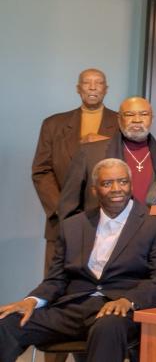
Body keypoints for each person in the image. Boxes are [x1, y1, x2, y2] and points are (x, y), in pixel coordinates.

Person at [0, 158, 156, 362]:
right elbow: (56, 279)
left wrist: (128, 300)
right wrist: (30, 301)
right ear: (94, 190)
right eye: (107, 183)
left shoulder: (154, 225)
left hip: (118, 307)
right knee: (7, 323)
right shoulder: (73, 226)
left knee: (108, 327)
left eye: (122, 182)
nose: (116, 189)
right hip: (73, 307)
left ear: (131, 185)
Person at [32, 68, 118, 272]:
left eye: (98, 83)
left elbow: (129, 161)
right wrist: (62, 208)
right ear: (78, 89)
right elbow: (41, 170)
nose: (93, 87)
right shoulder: (53, 124)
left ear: (106, 89)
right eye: (87, 83)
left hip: (108, 218)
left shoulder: (121, 122)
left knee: (102, 283)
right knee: (56, 282)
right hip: (61, 219)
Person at [58, 97, 156, 220]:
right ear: (119, 119)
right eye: (129, 114)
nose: (137, 120)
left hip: (152, 233)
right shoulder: (89, 153)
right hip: (99, 233)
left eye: (144, 114)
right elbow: (68, 205)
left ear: (152, 119)